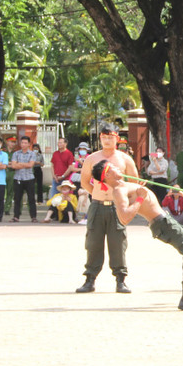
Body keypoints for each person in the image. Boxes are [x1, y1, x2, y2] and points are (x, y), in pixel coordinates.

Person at [93, 159, 183, 312]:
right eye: (112, 167)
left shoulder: (124, 185)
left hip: (164, 220)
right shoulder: (119, 191)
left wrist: (140, 193)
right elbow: (124, 218)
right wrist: (140, 198)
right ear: (107, 174)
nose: (117, 167)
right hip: (162, 223)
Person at [74, 124, 139, 294]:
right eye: (104, 137)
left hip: (117, 206)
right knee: (93, 243)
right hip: (97, 205)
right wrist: (96, 193)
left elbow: (134, 183)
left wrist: (123, 199)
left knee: (118, 243)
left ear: (117, 138)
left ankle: (120, 280)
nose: (107, 140)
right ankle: (90, 279)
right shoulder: (92, 158)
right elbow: (84, 182)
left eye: (110, 137)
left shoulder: (125, 159)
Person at [9, 136, 38, 222]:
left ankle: (33, 217)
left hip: (29, 178)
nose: (23, 144)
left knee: (31, 198)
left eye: (25, 143)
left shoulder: (32, 154)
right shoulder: (16, 153)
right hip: (18, 178)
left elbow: (30, 165)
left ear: (29, 144)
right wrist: (25, 164)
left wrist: (19, 164)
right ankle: (16, 216)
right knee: (17, 198)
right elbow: (13, 166)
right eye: (22, 143)